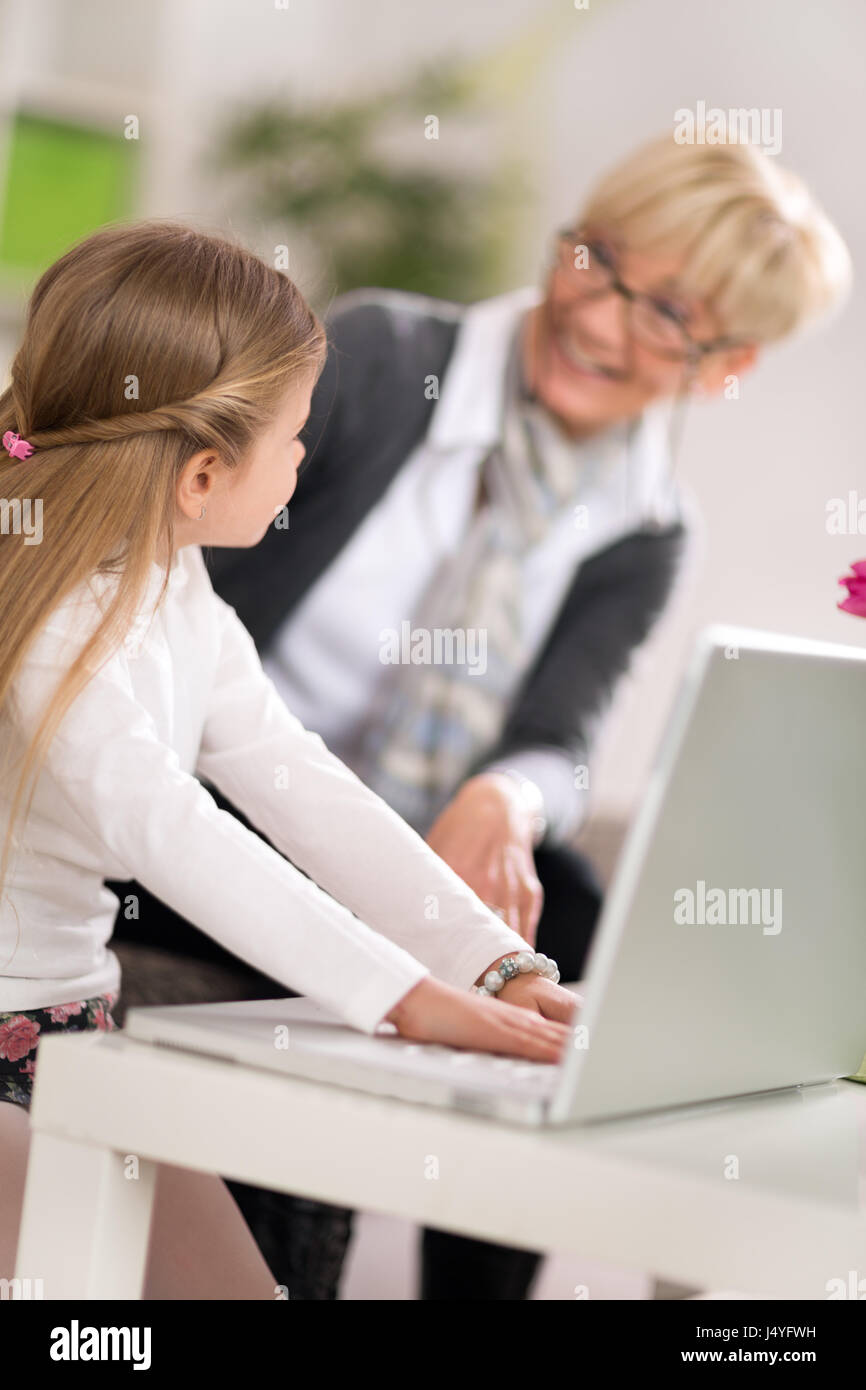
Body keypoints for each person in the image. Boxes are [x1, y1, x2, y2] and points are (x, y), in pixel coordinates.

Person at [113, 133, 852, 1300]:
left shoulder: (647, 525)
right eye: (595, 260)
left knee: (577, 892)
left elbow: (563, 736)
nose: (599, 319)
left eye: (663, 310)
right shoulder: (374, 355)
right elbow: (190, 648)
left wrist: (498, 799)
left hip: (407, 839)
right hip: (224, 801)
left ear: (726, 362)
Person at [0, 220, 580, 1299]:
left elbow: (293, 776)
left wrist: (488, 961)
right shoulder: (47, 619)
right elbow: (164, 825)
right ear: (204, 473)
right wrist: (400, 994)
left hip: (72, 1046)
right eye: (295, 436)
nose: (306, 457)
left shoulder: (170, 583)